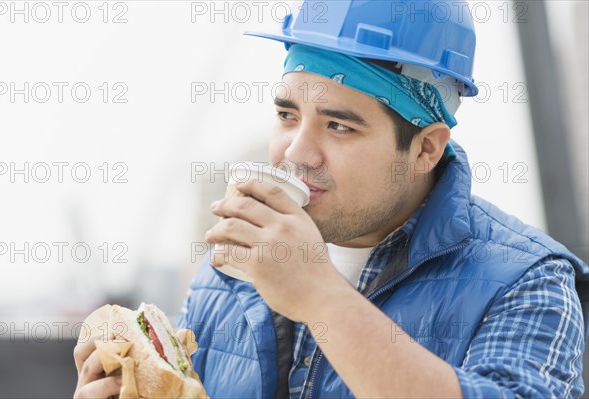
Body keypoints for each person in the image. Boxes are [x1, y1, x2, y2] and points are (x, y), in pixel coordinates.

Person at [73, 1, 588, 398]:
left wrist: (318, 295)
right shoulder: (231, 269)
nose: (297, 154)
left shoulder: (527, 281)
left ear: (426, 148)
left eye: (339, 126)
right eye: (287, 115)